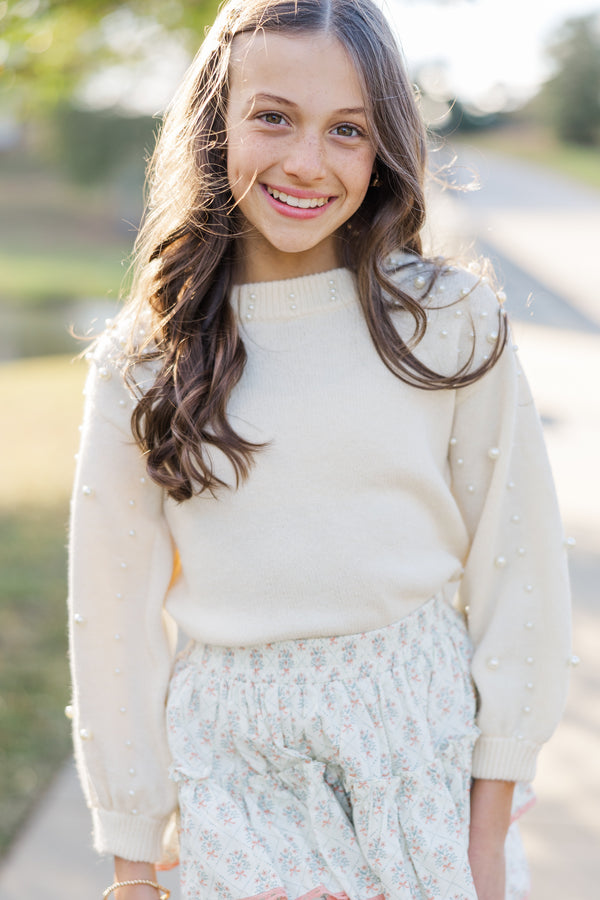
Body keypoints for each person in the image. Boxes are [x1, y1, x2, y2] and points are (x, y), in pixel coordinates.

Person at [67, 2, 573, 899]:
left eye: (348, 130)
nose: (307, 162)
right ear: (215, 124)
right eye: (273, 117)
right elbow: (111, 629)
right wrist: (135, 867)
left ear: (384, 150)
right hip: (237, 769)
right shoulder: (143, 363)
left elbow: (520, 567)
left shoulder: (446, 323)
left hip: (421, 753)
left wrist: (486, 842)